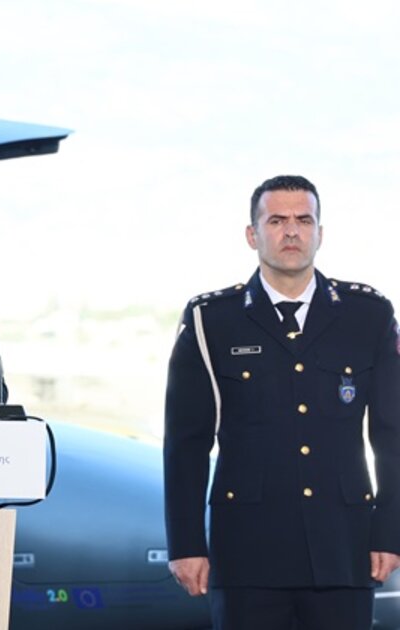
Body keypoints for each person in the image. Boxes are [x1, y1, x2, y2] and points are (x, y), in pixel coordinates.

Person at [164, 175, 400, 629]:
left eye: (303, 220)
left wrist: (390, 531)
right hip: (246, 553)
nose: (291, 231)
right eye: (276, 220)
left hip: (343, 548)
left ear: (320, 233)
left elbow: (392, 435)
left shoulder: (368, 315)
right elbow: (186, 442)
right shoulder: (211, 320)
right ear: (252, 235)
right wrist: (186, 544)